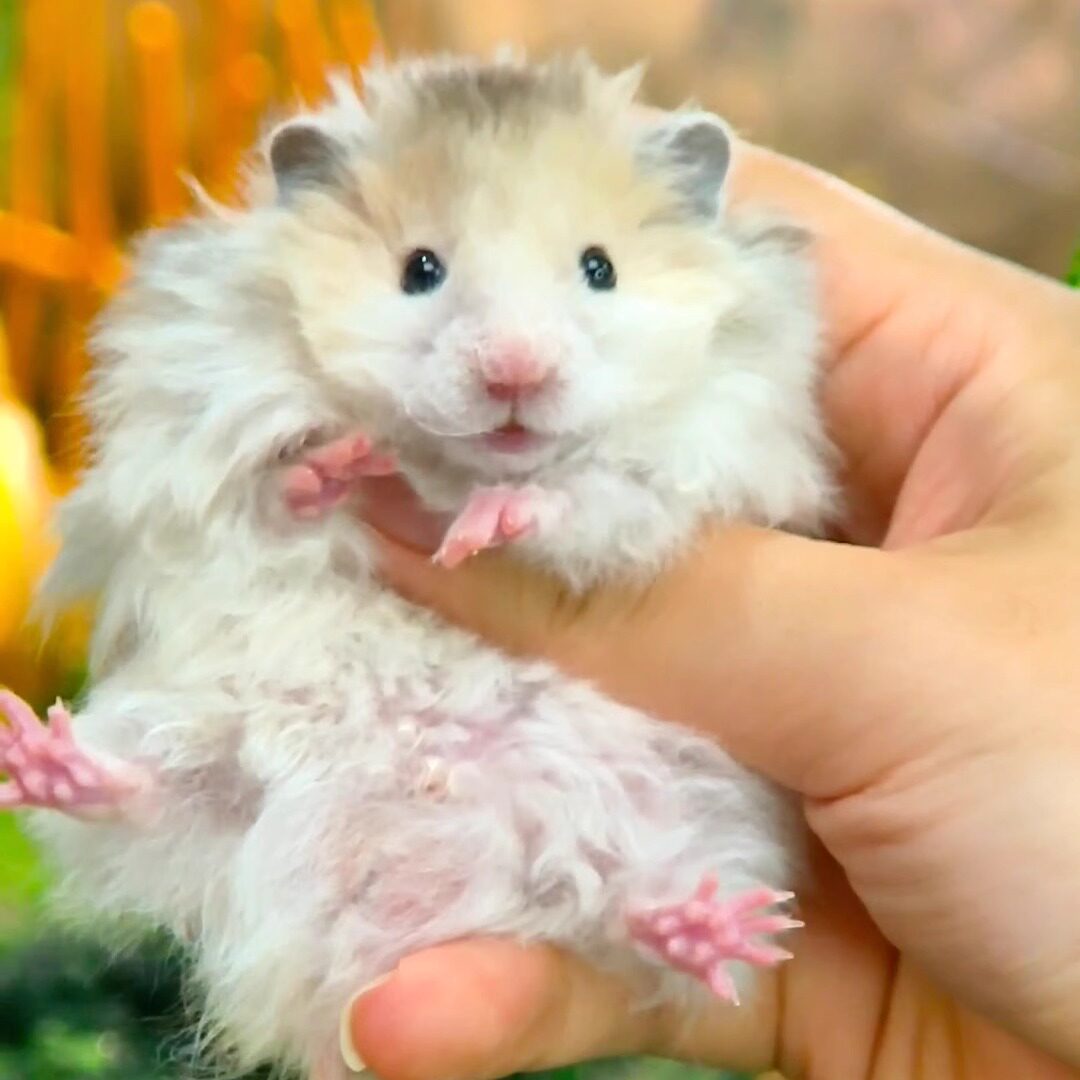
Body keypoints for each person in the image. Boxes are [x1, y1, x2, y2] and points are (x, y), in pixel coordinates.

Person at [339, 141, 1080, 1079]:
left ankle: (655, 896)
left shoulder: (736, 387)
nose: (516, 361)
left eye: (596, 269)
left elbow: (715, 491)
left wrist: (577, 539)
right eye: (426, 271)